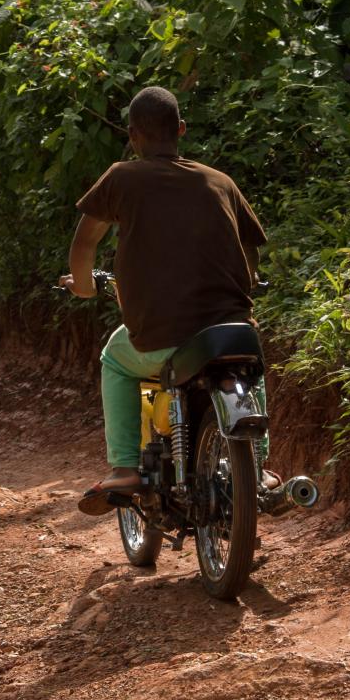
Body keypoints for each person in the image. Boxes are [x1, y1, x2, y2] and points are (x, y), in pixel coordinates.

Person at [58, 86, 266, 515]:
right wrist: (251, 280)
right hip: (232, 333)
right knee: (247, 368)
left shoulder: (122, 177)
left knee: (114, 360)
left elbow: (84, 246)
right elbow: (250, 252)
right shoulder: (220, 182)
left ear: (133, 136)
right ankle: (259, 470)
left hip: (163, 337)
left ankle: (125, 467)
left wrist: (83, 286)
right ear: (182, 130)